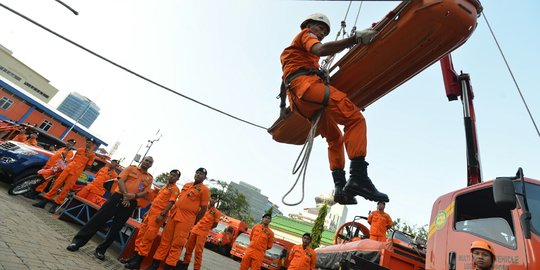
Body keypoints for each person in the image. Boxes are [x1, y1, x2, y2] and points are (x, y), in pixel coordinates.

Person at [279, 13, 388, 205]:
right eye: (320, 28)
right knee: (355, 119)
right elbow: (321, 49)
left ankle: (340, 189)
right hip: (308, 88)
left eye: (324, 31)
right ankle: (359, 175)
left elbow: (283, 82)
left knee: (335, 138)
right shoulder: (306, 36)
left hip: (300, 103)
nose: (322, 33)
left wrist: (282, 108)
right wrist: (355, 39)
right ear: (309, 26)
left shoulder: (296, 54)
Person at [66, 156, 154, 261]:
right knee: (98, 219)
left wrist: (133, 197)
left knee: (116, 228)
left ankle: (101, 251)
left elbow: (145, 192)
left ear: (151, 165)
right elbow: (120, 180)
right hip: (117, 198)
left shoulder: (149, 178)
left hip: (131, 203)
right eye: (146, 160)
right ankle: (77, 242)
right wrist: (126, 195)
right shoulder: (131, 168)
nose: (147, 162)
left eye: (150, 162)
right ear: (142, 161)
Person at [148, 168, 210, 270]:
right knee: (164, 241)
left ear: (204, 178)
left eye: (201, 174)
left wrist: (194, 221)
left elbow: (203, 209)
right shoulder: (187, 185)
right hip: (174, 216)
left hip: (186, 220)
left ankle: (168, 268)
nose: (198, 175)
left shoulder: (205, 190)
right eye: (197, 173)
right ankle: (154, 265)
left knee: (177, 245)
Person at [123, 169, 181, 269]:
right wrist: (148, 211)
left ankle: (138, 262)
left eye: (174, 176)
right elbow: (156, 201)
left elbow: (171, 203)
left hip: (158, 215)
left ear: (177, 179)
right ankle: (134, 257)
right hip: (151, 213)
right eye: (171, 174)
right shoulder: (165, 187)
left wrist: (162, 214)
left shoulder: (175, 189)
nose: (172, 177)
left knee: (148, 237)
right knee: (141, 234)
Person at [33, 137, 96, 213]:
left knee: (66, 189)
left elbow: (88, 166)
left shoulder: (92, 155)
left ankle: (56, 205)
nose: (88, 143)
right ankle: (44, 202)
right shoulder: (80, 150)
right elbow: (73, 159)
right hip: (68, 169)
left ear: (93, 145)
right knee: (57, 184)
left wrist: (79, 169)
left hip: (75, 173)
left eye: (90, 143)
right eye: (87, 142)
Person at [179, 194, 222, 270]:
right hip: (195, 230)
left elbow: (215, 224)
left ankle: (196, 268)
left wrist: (206, 228)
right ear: (209, 198)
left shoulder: (217, 213)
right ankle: (185, 265)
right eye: (212, 198)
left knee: (198, 252)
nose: (213, 200)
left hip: (203, 233)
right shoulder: (203, 208)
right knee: (188, 248)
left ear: (216, 201)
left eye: (215, 199)